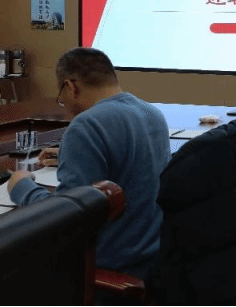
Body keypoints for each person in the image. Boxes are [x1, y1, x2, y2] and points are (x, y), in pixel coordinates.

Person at [7, 47, 171, 280]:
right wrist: (70, 154)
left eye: (61, 98)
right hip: (154, 260)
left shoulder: (86, 125)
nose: (64, 106)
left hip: (107, 267)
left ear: (70, 87)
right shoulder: (152, 113)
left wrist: (22, 187)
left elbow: (66, 220)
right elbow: (129, 163)